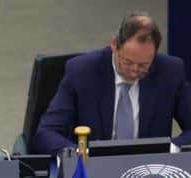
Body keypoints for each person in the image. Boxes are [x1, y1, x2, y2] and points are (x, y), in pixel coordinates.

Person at [32, 12, 191, 155]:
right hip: (94, 168)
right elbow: (47, 133)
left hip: (149, 170)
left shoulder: (171, 71)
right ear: (115, 45)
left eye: (144, 65)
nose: (135, 71)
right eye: (128, 62)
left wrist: (172, 149)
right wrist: (77, 154)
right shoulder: (81, 71)